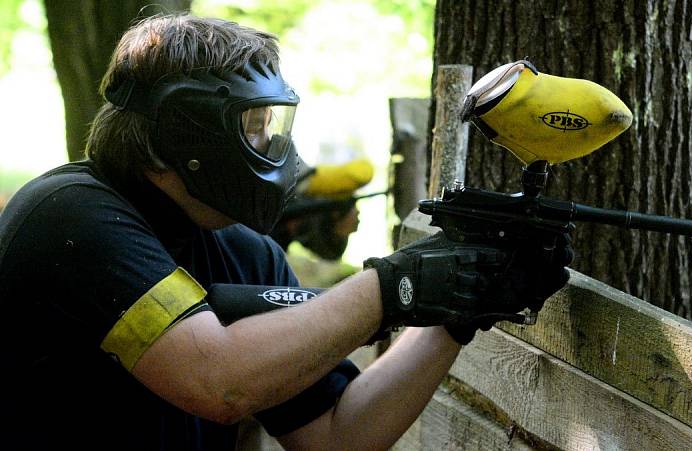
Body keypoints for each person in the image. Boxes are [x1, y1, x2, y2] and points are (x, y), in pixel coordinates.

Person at [0, 13, 573, 451]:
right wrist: (393, 286)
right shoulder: (69, 216)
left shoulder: (244, 252)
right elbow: (218, 382)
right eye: (253, 128)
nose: (275, 148)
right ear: (178, 137)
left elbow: (337, 434)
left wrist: (454, 317)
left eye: (272, 124)